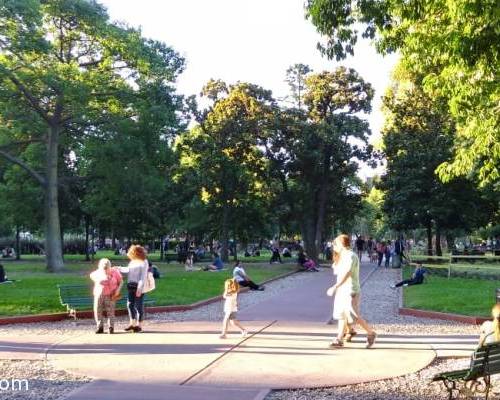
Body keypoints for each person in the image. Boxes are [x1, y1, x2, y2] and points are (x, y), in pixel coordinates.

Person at [327, 234, 376, 348]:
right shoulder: (342, 256)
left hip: (350, 290)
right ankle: (339, 339)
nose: (333, 246)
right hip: (342, 290)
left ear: (341, 244)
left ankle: (371, 333)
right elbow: (337, 271)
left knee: (354, 316)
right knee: (341, 315)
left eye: (335, 244)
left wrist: (335, 286)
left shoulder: (351, 256)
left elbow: (347, 272)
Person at [119, 245, 149, 333]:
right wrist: (119, 268)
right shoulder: (133, 261)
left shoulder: (144, 262)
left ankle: (139, 325)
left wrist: (139, 288)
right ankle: (132, 323)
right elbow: (128, 270)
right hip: (130, 285)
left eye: (131, 252)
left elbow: (142, 277)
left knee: (138, 306)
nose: (129, 254)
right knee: (129, 304)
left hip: (139, 286)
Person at [89, 258, 122, 334]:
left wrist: (118, 290)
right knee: (98, 311)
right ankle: (100, 327)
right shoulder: (97, 272)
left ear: (110, 266)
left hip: (111, 294)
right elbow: (91, 276)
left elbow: (121, 282)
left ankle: (111, 327)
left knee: (110, 311)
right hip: (99, 294)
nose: (105, 270)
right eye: (104, 268)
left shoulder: (115, 272)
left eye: (107, 268)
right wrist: (98, 280)